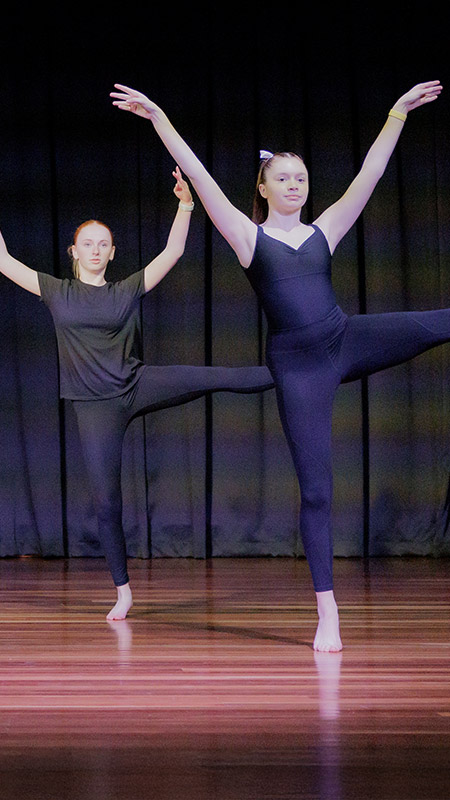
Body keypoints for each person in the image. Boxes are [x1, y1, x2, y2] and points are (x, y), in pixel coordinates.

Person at [110, 80, 449, 651]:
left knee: (437, 321)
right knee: (317, 489)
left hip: (343, 338)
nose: (294, 185)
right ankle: (328, 611)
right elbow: (200, 175)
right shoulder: (249, 237)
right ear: (263, 188)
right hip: (299, 368)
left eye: (302, 178)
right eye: (283, 178)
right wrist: (159, 119)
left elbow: (367, 177)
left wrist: (395, 115)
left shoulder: (325, 231)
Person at [0, 167, 274, 620]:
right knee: (106, 502)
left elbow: (174, 251)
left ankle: (289, 374)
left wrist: (186, 204)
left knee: (213, 376)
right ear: (74, 251)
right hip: (93, 408)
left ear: (112, 253)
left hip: (136, 384)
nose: (95, 250)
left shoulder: (126, 290)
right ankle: (123, 591)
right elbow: (5, 260)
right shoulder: (55, 291)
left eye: (103, 244)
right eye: (87, 243)